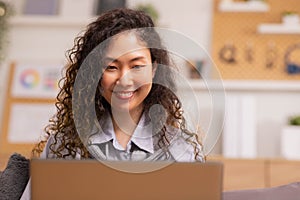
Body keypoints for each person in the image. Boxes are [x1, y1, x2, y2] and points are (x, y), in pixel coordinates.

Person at [21, 7, 204, 199]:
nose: (124, 80)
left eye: (136, 66)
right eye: (111, 67)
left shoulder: (181, 149)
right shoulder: (64, 146)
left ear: (154, 69)